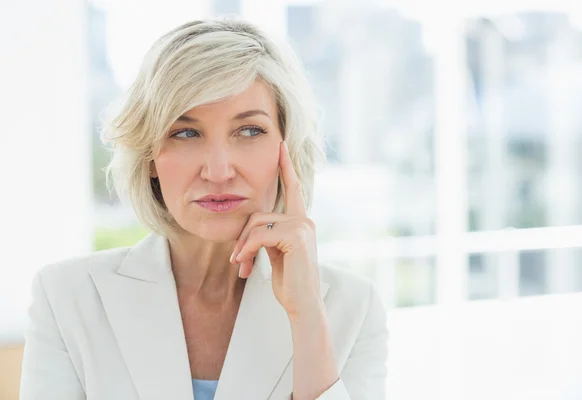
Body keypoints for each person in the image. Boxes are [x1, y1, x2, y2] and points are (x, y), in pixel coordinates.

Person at [19, 18, 388, 400]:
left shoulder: (351, 309)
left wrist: (307, 316)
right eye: (185, 133)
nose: (218, 171)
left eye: (249, 131)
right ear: (149, 157)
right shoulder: (66, 298)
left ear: (287, 150)